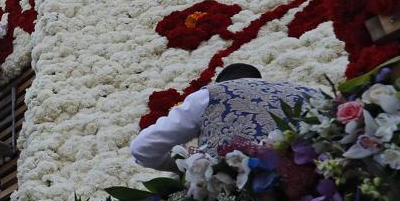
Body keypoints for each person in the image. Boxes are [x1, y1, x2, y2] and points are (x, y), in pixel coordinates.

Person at [130, 64, 321, 170]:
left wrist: (181, 168)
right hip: (318, 194)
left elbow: (143, 148)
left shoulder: (212, 94)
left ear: (222, 84)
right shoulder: (310, 93)